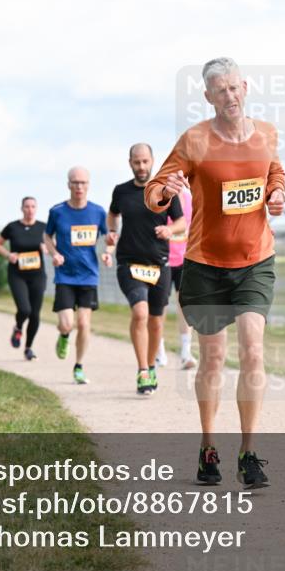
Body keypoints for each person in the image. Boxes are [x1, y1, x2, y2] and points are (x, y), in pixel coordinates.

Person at [145, 57, 285, 489]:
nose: (229, 96)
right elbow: (155, 190)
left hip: (255, 262)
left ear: (246, 87)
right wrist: (162, 193)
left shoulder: (266, 133)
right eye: (219, 91)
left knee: (254, 349)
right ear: (208, 97)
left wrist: (277, 191)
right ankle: (209, 446)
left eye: (234, 88)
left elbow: (274, 170)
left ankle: (249, 451)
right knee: (211, 358)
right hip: (206, 266)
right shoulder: (195, 140)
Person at [107, 143, 184, 394]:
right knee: (140, 313)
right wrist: (111, 232)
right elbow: (113, 214)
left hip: (160, 265)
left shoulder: (165, 191)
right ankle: (142, 370)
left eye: (145, 162)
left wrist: (169, 230)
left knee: (156, 322)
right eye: (136, 162)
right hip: (129, 263)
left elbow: (181, 222)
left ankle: (151, 365)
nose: (141, 167)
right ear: (130, 163)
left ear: (152, 161)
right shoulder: (121, 191)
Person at [43, 167, 111, 384]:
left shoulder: (98, 212)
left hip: (88, 276)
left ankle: (79, 366)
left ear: (88, 185)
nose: (79, 187)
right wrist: (54, 253)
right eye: (75, 183)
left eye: (83, 183)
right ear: (68, 185)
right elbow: (46, 236)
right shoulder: (57, 212)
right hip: (65, 276)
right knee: (66, 324)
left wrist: (108, 254)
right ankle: (63, 336)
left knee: (83, 324)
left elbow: (109, 238)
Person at [0, 197, 48, 361]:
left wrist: (46, 247)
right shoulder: (12, 227)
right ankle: (18, 327)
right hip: (17, 274)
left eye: (33, 206)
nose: (30, 210)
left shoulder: (43, 227)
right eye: (27, 207)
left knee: (35, 314)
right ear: (22, 208)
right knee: (25, 309)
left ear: (36, 208)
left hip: (37, 274)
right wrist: (8, 255)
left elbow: (54, 245)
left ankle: (28, 348)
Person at [156, 186, 197, 370]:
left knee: (186, 305)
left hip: (185, 259)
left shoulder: (190, 198)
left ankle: (186, 352)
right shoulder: (161, 199)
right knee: (160, 306)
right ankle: (159, 351)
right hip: (162, 259)